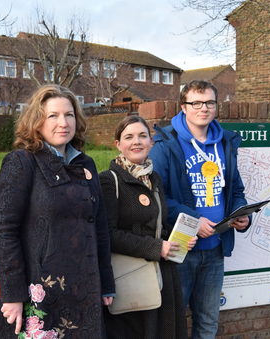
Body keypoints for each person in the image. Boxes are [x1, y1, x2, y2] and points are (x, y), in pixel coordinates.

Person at [0, 85, 115, 339]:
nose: (63, 123)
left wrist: (106, 284)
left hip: (83, 290)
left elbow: (98, 227)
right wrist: (13, 294)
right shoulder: (22, 162)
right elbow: (3, 231)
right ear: (37, 121)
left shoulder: (85, 163)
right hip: (38, 292)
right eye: (53, 116)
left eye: (69, 115)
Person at [149, 80, 251, 339]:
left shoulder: (225, 143)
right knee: (172, 324)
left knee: (208, 323)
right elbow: (158, 195)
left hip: (216, 250)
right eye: (196, 102)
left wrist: (242, 215)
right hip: (182, 249)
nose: (203, 108)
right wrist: (195, 219)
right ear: (184, 107)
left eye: (209, 102)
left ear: (216, 106)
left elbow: (235, 191)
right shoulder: (165, 144)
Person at [99, 115, 196, 339]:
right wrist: (156, 247)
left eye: (142, 136)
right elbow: (107, 235)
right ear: (118, 144)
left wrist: (177, 241)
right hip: (130, 278)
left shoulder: (155, 179)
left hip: (162, 275)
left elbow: (158, 227)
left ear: (151, 142)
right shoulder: (108, 180)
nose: (137, 142)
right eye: (129, 137)